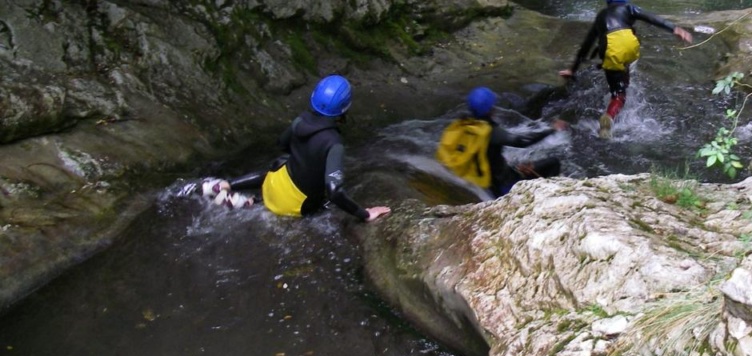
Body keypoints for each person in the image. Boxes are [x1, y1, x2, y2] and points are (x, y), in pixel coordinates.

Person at [198, 74, 390, 222]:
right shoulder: (334, 143)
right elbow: (334, 190)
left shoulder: (300, 121)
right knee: (324, 202)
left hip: (272, 183)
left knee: (281, 164)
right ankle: (250, 203)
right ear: (344, 108)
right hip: (296, 205)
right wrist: (364, 214)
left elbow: (282, 144)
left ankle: (226, 185)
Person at [558, 0, 693, 139]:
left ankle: (608, 117)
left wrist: (572, 70)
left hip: (610, 49)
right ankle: (622, 86)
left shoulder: (600, 16)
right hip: (629, 45)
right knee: (626, 61)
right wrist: (674, 28)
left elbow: (586, 45)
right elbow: (651, 17)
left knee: (617, 94)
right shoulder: (628, 7)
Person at [437, 87, 566, 198]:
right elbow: (523, 141)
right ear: (490, 109)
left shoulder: (463, 126)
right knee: (553, 162)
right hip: (503, 187)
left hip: (485, 183)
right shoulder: (491, 133)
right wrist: (552, 130)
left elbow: (487, 156)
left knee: (526, 166)